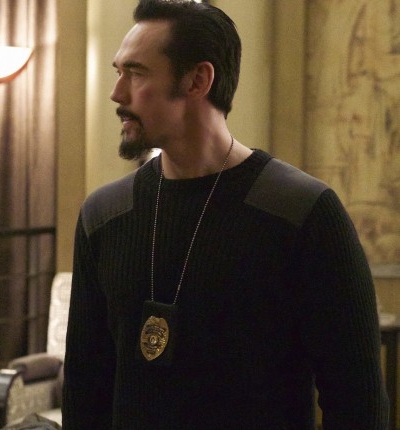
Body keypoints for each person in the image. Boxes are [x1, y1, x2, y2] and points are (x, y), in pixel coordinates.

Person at [62, 1, 389, 429]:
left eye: (136, 73)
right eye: (118, 72)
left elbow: (358, 403)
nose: (117, 93)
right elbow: (85, 392)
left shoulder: (302, 213)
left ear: (198, 80)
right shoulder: (104, 215)